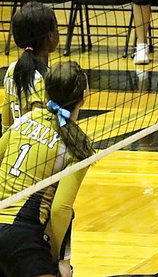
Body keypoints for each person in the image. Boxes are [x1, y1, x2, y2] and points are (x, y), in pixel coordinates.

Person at [0, 61, 93, 277]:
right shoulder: (78, 145)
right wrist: (55, 257)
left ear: (46, 90)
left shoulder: (26, 119)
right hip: (22, 237)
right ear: (82, 98)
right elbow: (60, 210)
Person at [2, 2, 58, 134]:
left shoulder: (12, 70)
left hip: (14, 148)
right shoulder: (45, 81)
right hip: (37, 151)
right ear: (50, 36)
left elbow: (6, 125)